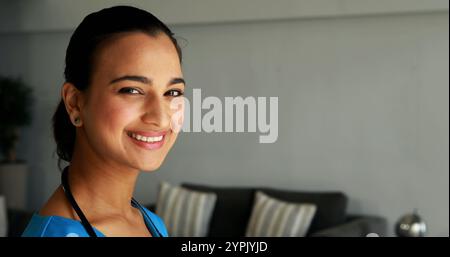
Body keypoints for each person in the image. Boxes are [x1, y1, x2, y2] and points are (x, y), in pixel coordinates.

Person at [22, 5, 185, 237]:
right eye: (132, 90)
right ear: (75, 103)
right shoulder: (58, 233)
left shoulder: (152, 223)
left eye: (173, 92)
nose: (160, 117)